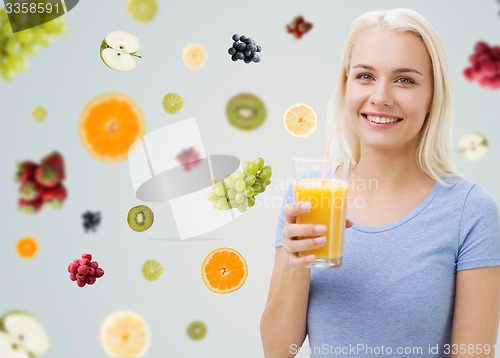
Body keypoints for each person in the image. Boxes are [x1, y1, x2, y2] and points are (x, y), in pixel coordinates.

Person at [261, 8, 500, 358]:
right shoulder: (308, 195)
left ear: (433, 95)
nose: (381, 96)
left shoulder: (470, 211)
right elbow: (278, 350)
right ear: (346, 86)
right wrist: (297, 267)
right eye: (365, 76)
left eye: (405, 80)